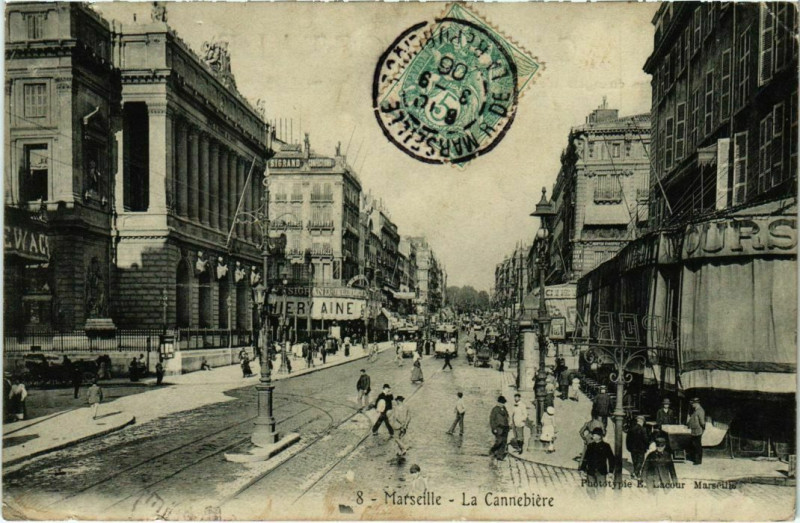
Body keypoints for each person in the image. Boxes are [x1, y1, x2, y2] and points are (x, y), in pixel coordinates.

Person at [579, 428, 615, 497]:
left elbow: (611, 459)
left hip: (601, 472)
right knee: (589, 489)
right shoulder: (590, 446)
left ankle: (599, 504)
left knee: (601, 490)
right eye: (593, 435)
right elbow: (586, 458)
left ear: (599, 436)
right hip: (591, 471)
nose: (593, 436)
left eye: (594, 435)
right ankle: (594, 501)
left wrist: (611, 471)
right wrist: (582, 469)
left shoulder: (606, 446)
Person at [489, 396, 510, 461]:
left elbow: (507, 416)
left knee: (504, 442)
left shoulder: (504, 408)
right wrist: (494, 428)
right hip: (498, 428)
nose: (502, 404)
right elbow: (492, 420)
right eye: (501, 403)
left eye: (503, 403)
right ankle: (493, 450)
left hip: (505, 427)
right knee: (499, 441)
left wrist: (508, 423)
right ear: (498, 403)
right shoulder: (495, 409)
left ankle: (500, 456)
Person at [687, 397, 706, 465]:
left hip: (698, 431)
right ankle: (695, 459)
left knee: (697, 446)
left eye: (693, 403)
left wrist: (703, 428)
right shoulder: (696, 410)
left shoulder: (700, 410)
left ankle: (698, 461)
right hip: (694, 430)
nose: (692, 405)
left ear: (696, 403)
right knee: (695, 445)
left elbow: (702, 422)